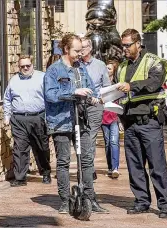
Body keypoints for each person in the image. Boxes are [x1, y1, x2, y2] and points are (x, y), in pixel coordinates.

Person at [44, 34, 107, 214]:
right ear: (66, 49)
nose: (80, 54)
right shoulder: (54, 70)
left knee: (86, 160)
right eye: (76, 51)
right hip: (61, 121)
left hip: (82, 119)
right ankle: (65, 200)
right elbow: (50, 95)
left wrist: (95, 98)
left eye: (81, 50)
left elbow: (91, 89)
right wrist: (75, 91)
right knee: (64, 161)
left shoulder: (81, 69)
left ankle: (90, 198)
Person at [116, 29, 167, 219]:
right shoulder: (122, 67)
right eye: (122, 45)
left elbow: (154, 82)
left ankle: (165, 205)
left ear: (137, 44)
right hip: (130, 123)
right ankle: (141, 201)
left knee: (157, 166)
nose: (124, 48)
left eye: (127, 45)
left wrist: (131, 86)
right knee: (135, 166)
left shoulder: (153, 61)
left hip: (149, 121)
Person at [3, 55, 51, 187]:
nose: (25, 68)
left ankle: (45, 172)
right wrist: (7, 116)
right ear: (19, 67)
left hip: (38, 117)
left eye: (27, 66)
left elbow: (48, 98)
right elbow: (7, 99)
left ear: (32, 65)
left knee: (41, 146)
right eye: (22, 66)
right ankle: (20, 178)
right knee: (20, 148)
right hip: (18, 118)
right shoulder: (14, 80)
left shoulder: (42, 77)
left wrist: (48, 117)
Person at [80, 36, 111, 181]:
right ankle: (85, 167)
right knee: (79, 137)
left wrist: (100, 100)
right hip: (79, 105)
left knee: (90, 137)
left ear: (90, 48)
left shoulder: (100, 65)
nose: (81, 50)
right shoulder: (75, 65)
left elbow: (106, 86)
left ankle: (88, 169)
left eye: (84, 47)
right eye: (79, 47)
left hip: (95, 106)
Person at [102, 60, 122, 179]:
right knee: (107, 142)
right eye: (106, 68)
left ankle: (115, 168)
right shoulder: (100, 84)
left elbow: (120, 102)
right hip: (103, 117)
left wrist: (120, 120)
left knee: (114, 141)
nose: (106, 70)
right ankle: (110, 166)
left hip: (114, 117)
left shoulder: (117, 85)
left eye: (109, 68)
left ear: (114, 71)